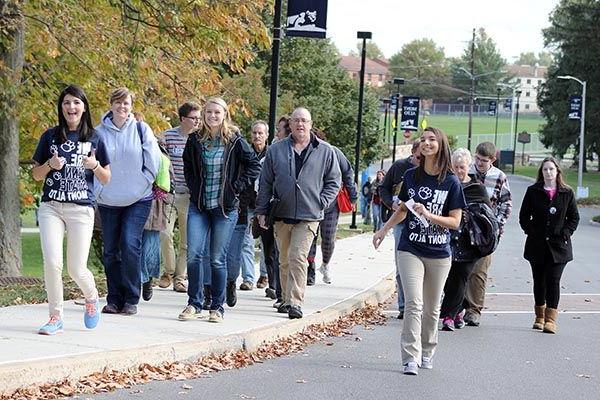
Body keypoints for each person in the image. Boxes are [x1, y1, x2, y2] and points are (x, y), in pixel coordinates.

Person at [373, 127, 465, 375]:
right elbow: (403, 209)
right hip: (410, 248)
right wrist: (382, 230)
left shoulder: (451, 181)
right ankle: (409, 357)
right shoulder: (412, 176)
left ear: (440, 145)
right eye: (423, 140)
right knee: (414, 303)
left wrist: (430, 215)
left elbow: (455, 221)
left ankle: (427, 350)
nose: (426, 143)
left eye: (432, 140)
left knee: (432, 308)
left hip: (439, 253)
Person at [32, 84, 111, 335]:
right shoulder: (50, 136)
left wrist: (95, 165)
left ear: (83, 107)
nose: (71, 107)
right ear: (61, 108)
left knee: (76, 268)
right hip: (51, 207)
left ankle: (91, 296)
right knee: (52, 264)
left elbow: (107, 177)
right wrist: (49, 164)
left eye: (76, 102)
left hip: (81, 208)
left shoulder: (95, 138)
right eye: (66, 103)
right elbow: (35, 175)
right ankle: (55, 317)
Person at [179, 97, 260, 323]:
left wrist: (237, 187)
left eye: (217, 112)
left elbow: (254, 165)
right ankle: (194, 303)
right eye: (208, 112)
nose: (212, 116)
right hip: (200, 205)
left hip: (225, 208)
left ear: (225, 114)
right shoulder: (195, 139)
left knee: (217, 258)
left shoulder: (234, 140)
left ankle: (217, 307)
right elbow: (188, 167)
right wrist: (194, 188)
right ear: (203, 115)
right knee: (194, 254)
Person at [256, 107, 341, 319]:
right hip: (281, 212)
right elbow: (265, 182)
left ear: (311, 125)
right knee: (283, 258)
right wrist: (261, 210)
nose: (300, 125)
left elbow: (334, 181)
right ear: (290, 125)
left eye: (304, 121)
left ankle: (295, 302)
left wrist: (321, 202)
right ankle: (285, 298)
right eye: (296, 121)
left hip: (309, 215)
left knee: (297, 257)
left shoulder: (325, 150)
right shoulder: (276, 150)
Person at [95, 87, 160, 316]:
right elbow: (91, 165)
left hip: (138, 198)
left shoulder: (142, 129)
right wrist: (98, 191)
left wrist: (144, 181)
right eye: (119, 102)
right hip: (108, 199)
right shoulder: (98, 133)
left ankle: (132, 297)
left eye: (127, 103)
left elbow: (153, 162)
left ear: (131, 106)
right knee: (111, 250)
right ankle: (114, 298)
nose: (122, 107)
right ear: (111, 104)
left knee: (130, 244)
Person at [519, 157, 579, 334]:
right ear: (541, 172)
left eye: (551, 169)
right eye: (545, 170)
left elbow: (574, 218)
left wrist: (565, 232)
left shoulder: (566, 193)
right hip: (537, 245)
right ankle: (539, 316)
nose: (548, 173)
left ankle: (551, 319)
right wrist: (531, 231)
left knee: (553, 280)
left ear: (557, 171)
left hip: (559, 247)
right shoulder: (533, 191)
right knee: (539, 281)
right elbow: (524, 217)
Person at [439, 148, 491, 331]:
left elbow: (486, 216)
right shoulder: (446, 185)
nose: (459, 171)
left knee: (461, 278)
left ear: (468, 166)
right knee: (447, 279)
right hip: (447, 240)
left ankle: (448, 317)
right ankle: (458, 309)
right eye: (455, 167)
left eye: (462, 167)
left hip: (469, 242)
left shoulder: (477, 188)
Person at [463, 142, 512, 327]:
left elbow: (506, 204)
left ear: (492, 159)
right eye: (477, 158)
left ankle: (474, 310)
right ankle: (459, 306)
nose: (480, 163)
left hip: (486, 233)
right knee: (461, 270)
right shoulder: (467, 172)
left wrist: (496, 227)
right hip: (465, 229)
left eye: (484, 160)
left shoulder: (499, 177)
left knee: (479, 272)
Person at [158, 102, 202, 293]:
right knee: (164, 233)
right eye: (194, 118)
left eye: (199, 118)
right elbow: (159, 158)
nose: (197, 121)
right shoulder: (168, 136)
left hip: (189, 195)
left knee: (186, 240)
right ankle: (168, 271)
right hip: (169, 193)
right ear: (183, 118)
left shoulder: (199, 139)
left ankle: (180, 277)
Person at [306, 129, 357, 285]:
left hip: (331, 204)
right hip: (310, 204)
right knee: (310, 237)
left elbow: (348, 173)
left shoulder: (333, 152)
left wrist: (353, 196)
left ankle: (326, 263)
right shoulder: (305, 152)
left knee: (328, 239)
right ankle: (310, 268)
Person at [379, 140, 421, 319]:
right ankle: (404, 305)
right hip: (400, 222)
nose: (421, 160)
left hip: (421, 224)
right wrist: (391, 204)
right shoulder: (399, 167)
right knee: (401, 264)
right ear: (412, 153)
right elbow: (383, 188)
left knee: (421, 265)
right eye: (419, 157)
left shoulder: (429, 170)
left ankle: (418, 303)